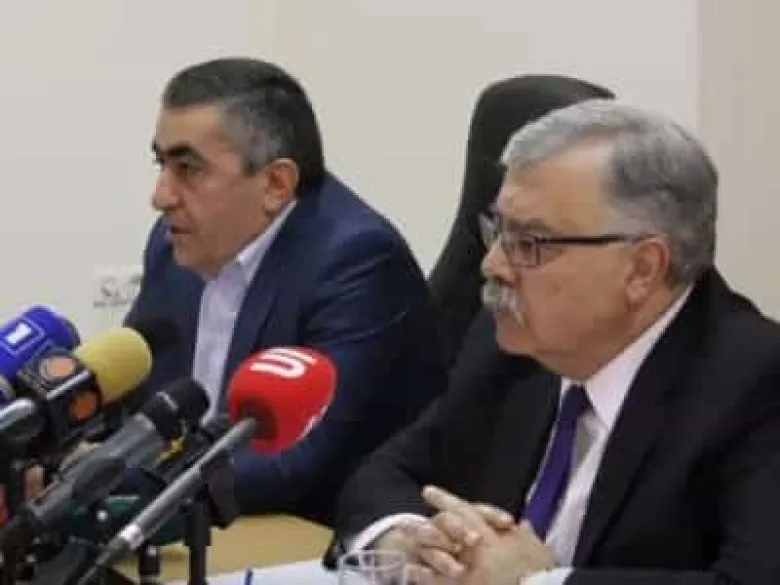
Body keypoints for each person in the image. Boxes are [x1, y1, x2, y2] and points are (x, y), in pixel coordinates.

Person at [327, 99, 780, 584]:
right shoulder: (514, 345)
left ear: (642, 269)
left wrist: (537, 584)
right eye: (497, 231)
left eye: (531, 243)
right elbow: (387, 471)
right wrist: (409, 539)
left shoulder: (756, 383)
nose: (493, 265)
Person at [123, 57, 447, 525]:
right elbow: (135, 401)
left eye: (188, 169)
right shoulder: (176, 242)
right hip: (198, 521)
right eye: (162, 164)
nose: (161, 196)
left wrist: (114, 486)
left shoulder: (357, 261)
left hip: (311, 534)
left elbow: (292, 463)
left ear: (276, 184)